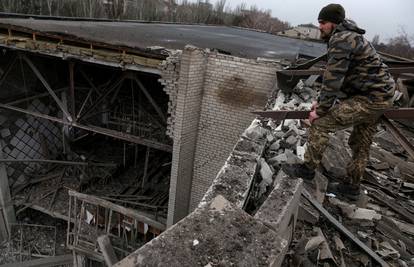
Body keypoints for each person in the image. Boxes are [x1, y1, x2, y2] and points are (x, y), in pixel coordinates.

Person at [283, 3, 395, 200]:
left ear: (334, 23)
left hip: (370, 98)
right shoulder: (350, 36)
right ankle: (352, 187)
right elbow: (340, 79)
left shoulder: (341, 39)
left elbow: (333, 78)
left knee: (321, 124)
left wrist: (321, 110)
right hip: (381, 95)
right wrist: (321, 101)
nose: (320, 27)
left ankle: (307, 170)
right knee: (361, 142)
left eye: (323, 22)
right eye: (319, 22)